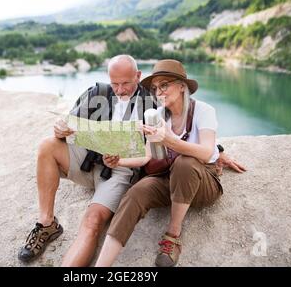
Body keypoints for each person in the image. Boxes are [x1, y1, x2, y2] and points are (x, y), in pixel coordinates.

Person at [95, 59, 246, 267]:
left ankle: (172, 236)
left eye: (164, 85)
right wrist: (117, 161)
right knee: (136, 192)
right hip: (169, 177)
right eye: (155, 88)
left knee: (185, 162)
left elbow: (207, 151)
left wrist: (171, 141)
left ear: (182, 86)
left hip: (203, 180)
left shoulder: (204, 110)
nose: (159, 92)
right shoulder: (156, 116)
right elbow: (148, 157)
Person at [17, 55, 155, 266]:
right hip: (87, 159)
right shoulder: (98, 92)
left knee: (92, 222)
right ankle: (47, 223)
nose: (119, 90)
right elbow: (70, 124)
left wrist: (216, 151)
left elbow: (184, 128)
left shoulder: (152, 102)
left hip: (120, 171)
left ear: (138, 76)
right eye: (115, 83)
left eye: (126, 83)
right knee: (47, 144)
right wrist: (60, 129)